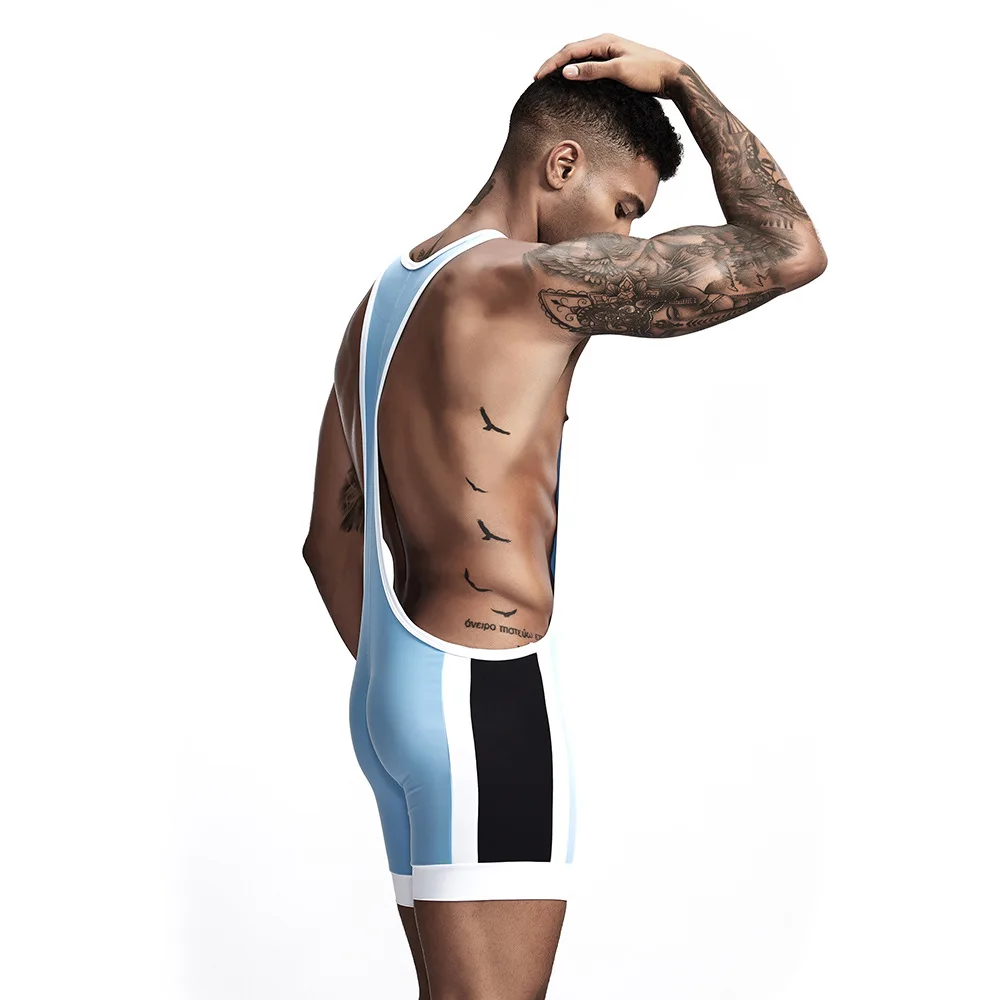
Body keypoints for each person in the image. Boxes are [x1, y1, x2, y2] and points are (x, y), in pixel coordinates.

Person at [303, 33, 827, 1000]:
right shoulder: (524, 281)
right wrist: (684, 81)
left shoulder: (378, 304)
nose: (624, 241)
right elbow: (791, 247)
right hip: (484, 696)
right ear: (561, 164)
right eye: (625, 208)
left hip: (391, 699)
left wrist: (409, 688)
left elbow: (325, 541)